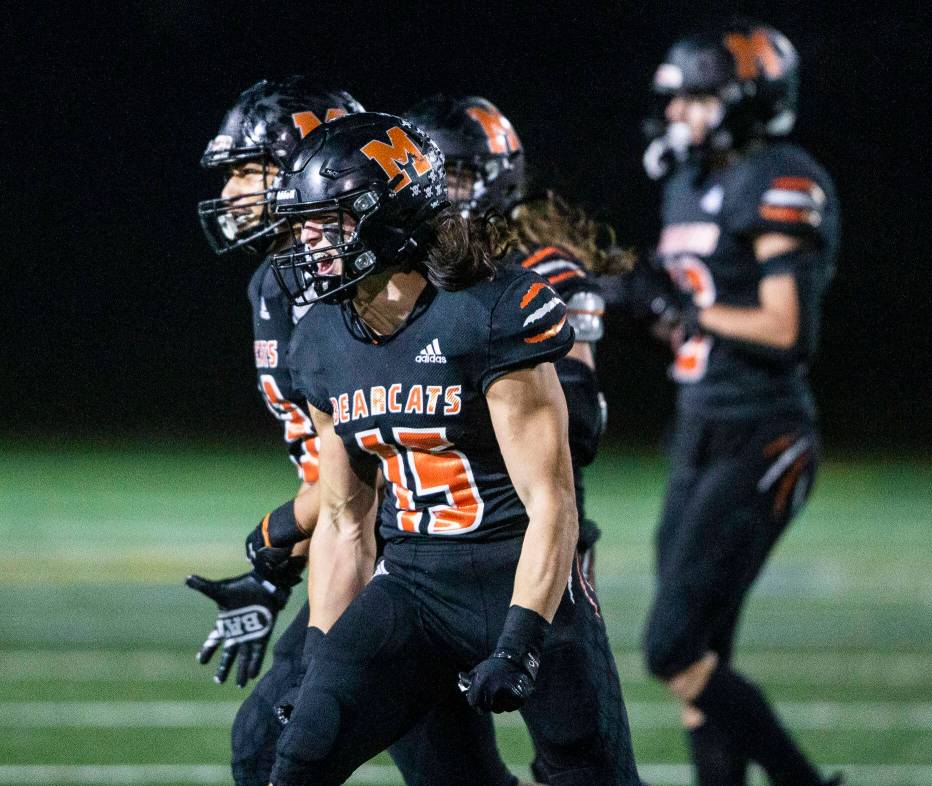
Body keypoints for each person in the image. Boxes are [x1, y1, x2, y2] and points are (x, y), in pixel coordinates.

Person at [267, 111, 641, 786]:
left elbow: (551, 502)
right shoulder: (320, 340)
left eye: (328, 220)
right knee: (300, 753)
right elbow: (345, 520)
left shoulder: (488, 309)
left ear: (392, 213)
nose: (309, 241)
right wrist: (320, 650)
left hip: (514, 570)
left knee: (588, 773)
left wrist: (524, 640)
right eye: (302, 223)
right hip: (411, 580)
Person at [399, 94, 636, 785]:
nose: (439, 194)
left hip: (534, 541)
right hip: (426, 551)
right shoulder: (406, 272)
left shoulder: (544, 269)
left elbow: (583, 422)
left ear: (497, 177)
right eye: (427, 175)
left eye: (456, 177)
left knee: (585, 770)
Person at [630, 19, 841, 786]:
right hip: (697, 431)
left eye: (697, 98)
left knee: (670, 646)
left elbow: (785, 331)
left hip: (762, 432)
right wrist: (638, 307)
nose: (680, 113)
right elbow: (691, 325)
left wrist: (682, 308)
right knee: (700, 652)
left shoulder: (783, 176)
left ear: (745, 99)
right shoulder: (686, 185)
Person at [186, 76, 365, 786]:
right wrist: (279, 572)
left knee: (267, 753)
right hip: (360, 547)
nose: (231, 192)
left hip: (413, 560)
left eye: (246, 170)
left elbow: (365, 470)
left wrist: (273, 540)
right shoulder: (276, 281)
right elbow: (328, 474)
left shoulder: (349, 282)